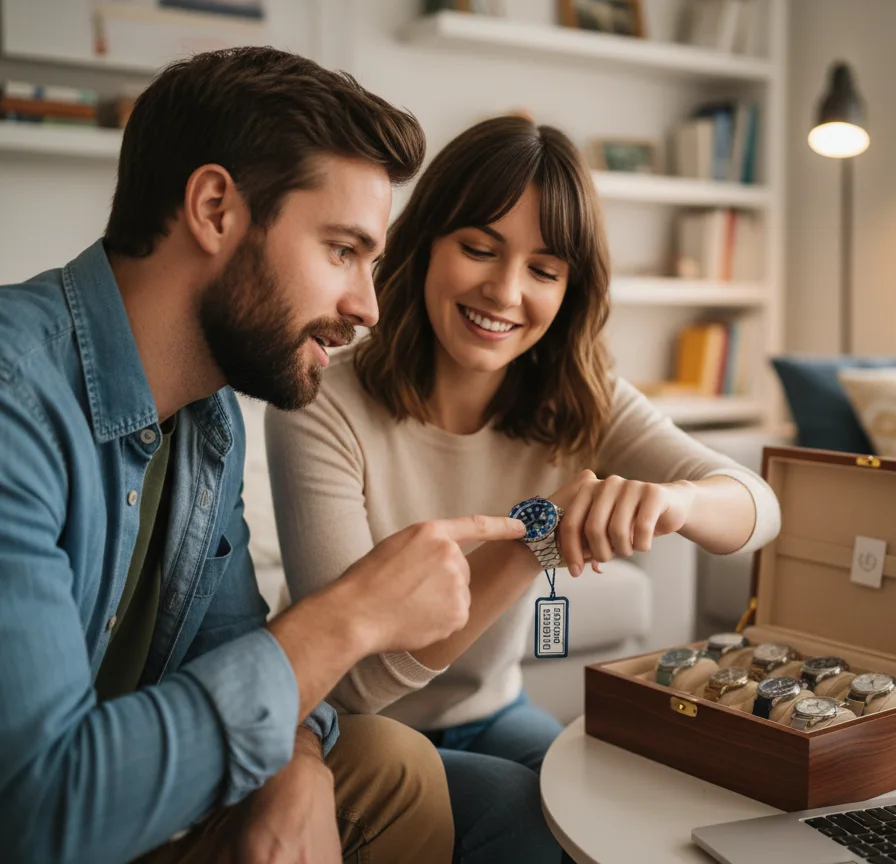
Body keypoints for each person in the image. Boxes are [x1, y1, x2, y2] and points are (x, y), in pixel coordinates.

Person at [0, 47, 529, 864]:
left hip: (134, 804)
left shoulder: (209, 423)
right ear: (215, 208)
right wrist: (353, 612)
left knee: (405, 773)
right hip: (55, 820)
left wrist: (299, 773)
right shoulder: (15, 401)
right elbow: (40, 811)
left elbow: (238, 650)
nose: (367, 308)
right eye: (343, 251)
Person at [265, 114, 782, 863]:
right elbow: (360, 677)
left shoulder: (578, 394)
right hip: (354, 728)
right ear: (426, 245)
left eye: (543, 270)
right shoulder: (325, 403)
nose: (505, 292)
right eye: (478, 249)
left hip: (492, 710)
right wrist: (539, 533)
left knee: (634, 809)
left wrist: (675, 502)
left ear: (570, 290)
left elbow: (758, 506)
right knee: (533, 826)